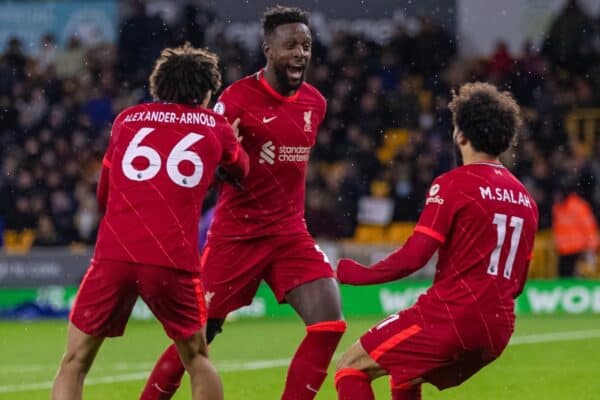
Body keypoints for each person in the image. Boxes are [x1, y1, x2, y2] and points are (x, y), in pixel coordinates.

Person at [141, 6, 345, 400]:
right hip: (237, 236)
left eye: (306, 45)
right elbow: (208, 166)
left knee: (329, 323)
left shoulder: (314, 104)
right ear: (267, 49)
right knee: (198, 338)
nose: (300, 53)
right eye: (290, 46)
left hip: (289, 234)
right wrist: (224, 158)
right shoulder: (235, 100)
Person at [52, 43, 249, 400]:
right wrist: (228, 151)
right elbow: (242, 170)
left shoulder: (127, 119)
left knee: (74, 362)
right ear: (206, 91)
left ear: (158, 87)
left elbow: (103, 195)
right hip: (172, 259)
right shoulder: (216, 126)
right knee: (197, 359)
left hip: (116, 253)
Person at [334, 82, 539, 400]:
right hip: (498, 330)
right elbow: (519, 282)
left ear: (460, 134)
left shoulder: (454, 184)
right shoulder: (526, 199)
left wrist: (352, 274)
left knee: (351, 368)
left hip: (453, 318)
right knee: (405, 377)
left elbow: (413, 258)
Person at [552, 179, 599, 277]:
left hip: (578, 250)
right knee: (564, 277)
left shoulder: (578, 206)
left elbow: (589, 227)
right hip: (563, 250)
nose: (556, 196)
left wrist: (591, 249)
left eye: (558, 194)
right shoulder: (557, 207)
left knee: (578, 277)